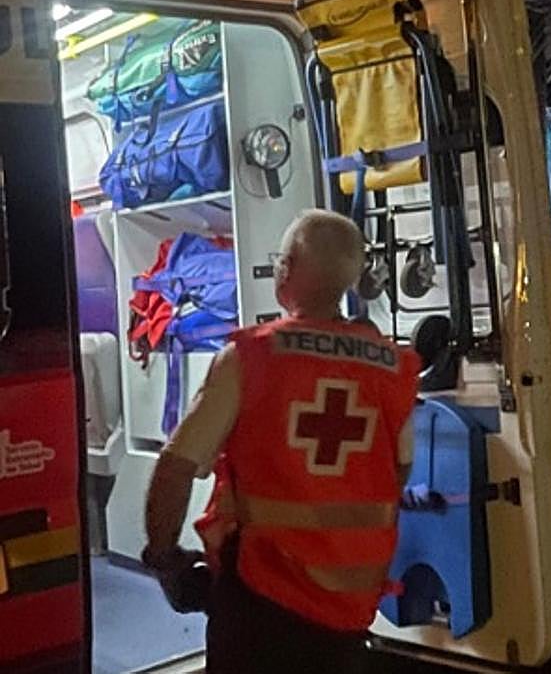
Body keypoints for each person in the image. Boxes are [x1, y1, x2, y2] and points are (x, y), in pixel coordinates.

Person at [143, 209, 421, 673]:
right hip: (351, 606)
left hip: (262, 601)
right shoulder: (391, 367)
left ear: (287, 267)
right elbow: (399, 470)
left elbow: (176, 466)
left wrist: (165, 559)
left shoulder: (251, 357)